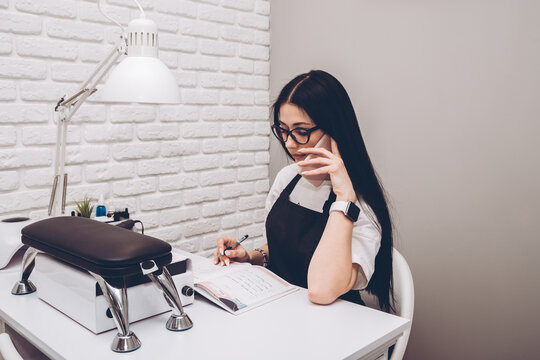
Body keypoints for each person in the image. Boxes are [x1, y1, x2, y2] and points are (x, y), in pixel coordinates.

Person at [214, 70, 394, 311]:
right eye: (283, 130)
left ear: (334, 130)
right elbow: (288, 250)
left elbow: (322, 290)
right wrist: (251, 257)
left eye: (301, 132)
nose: (288, 143)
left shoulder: (360, 205)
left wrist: (343, 198)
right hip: (281, 310)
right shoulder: (287, 178)